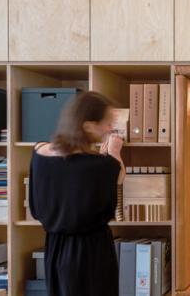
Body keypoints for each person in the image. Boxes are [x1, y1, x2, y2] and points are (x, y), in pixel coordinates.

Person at [28, 91, 126, 296]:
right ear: (88, 126)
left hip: (55, 248)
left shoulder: (38, 153)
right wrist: (115, 153)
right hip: (91, 251)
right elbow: (118, 177)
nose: (110, 128)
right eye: (107, 123)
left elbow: (37, 208)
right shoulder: (102, 166)